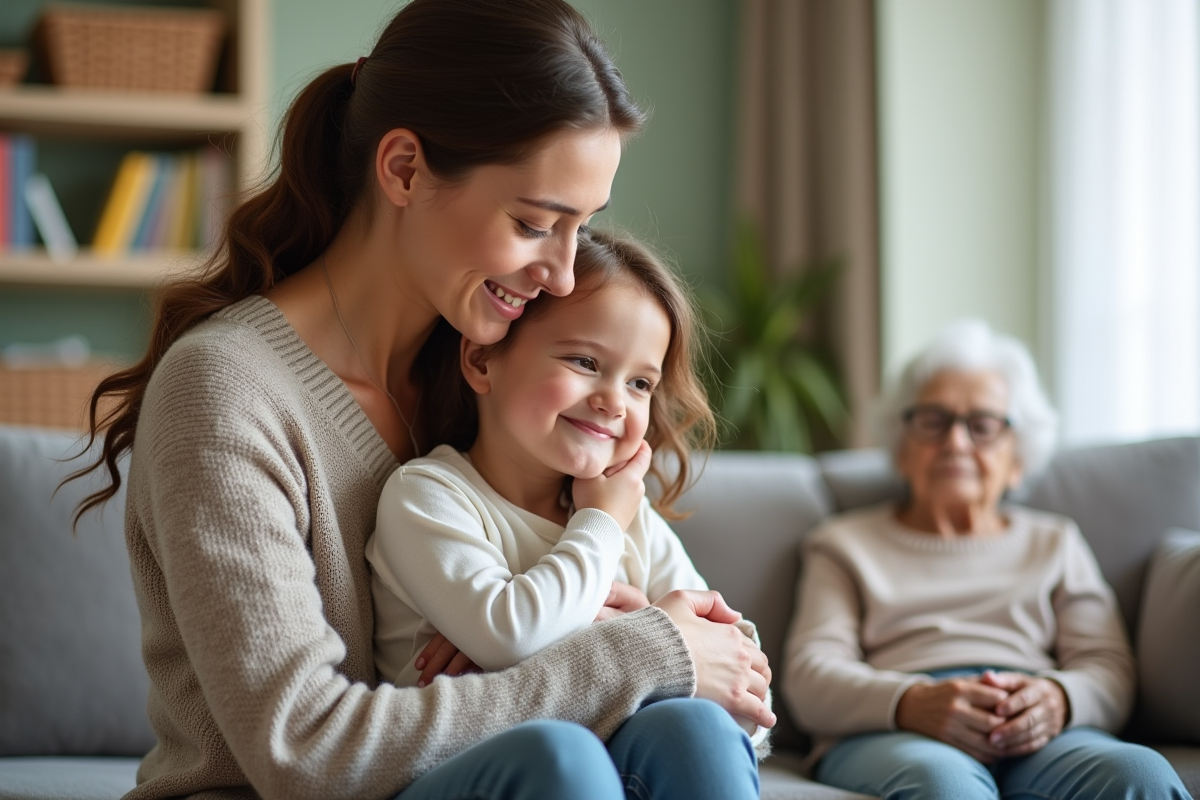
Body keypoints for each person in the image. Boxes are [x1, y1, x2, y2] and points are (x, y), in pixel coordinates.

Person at [72, 2, 774, 798]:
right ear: (404, 168)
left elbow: (590, 638)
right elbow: (302, 749)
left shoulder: (493, 373)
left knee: (687, 730)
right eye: (535, 223)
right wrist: (631, 654)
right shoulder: (225, 393)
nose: (565, 274)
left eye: (581, 229)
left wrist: (533, 662)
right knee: (559, 763)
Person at [366, 228, 770, 755]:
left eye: (640, 384)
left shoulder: (633, 516)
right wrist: (605, 539)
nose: (615, 402)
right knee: (564, 754)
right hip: (489, 769)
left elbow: (748, 692)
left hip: (628, 769)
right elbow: (512, 633)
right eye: (585, 362)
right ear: (483, 360)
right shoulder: (427, 496)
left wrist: (639, 627)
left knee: (702, 734)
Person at [781, 319, 1191, 800]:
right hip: (895, 729)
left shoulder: (1055, 543)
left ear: (1018, 458)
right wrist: (911, 702)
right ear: (900, 447)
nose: (956, 442)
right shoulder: (843, 544)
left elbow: (1107, 664)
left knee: (1138, 774)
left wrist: (1059, 698)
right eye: (933, 421)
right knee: (946, 784)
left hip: (1037, 728)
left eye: (983, 425)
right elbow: (810, 674)